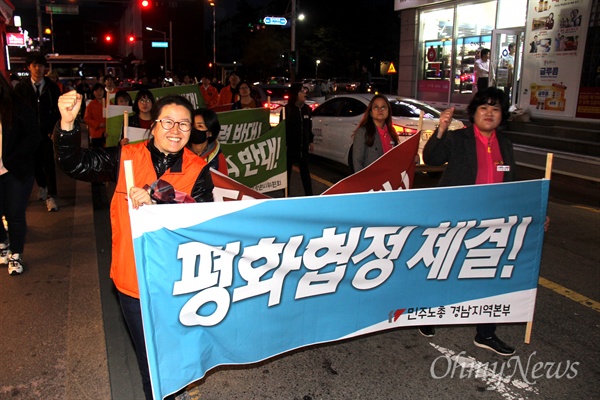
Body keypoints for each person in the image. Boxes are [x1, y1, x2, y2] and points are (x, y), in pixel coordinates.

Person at [53, 92, 214, 399]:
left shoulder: (198, 168)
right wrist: (69, 125)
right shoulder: (124, 157)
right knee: (150, 360)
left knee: (177, 350)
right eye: (168, 122)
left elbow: (203, 224)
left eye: (183, 124)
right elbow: (76, 164)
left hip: (178, 284)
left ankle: (177, 385)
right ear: (153, 126)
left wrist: (159, 195)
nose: (175, 131)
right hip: (133, 282)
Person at [420, 87, 517, 356]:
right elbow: (431, 159)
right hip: (457, 219)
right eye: (484, 108)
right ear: (474, 113)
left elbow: (513, 185)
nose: (489, 113)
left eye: (495, 109)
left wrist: (533, 211)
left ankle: (486, 334)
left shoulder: (505, 145)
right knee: (445, 270)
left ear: (502, 115)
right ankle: (428, 316)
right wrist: (440, 127)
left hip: (492, 223)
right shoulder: (459, 138)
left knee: (490, 276)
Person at [0, 73, 41, 275]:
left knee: (14, 214)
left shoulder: (16, 106)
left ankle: (16, 254)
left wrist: (14, 156)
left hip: (15, 170)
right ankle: (2, 243)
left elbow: (33, 136)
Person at [14, 52, 62, 212]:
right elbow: (17, 111)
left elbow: (58, 111)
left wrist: (55, 129)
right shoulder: (21, 87)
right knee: (34, 165)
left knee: (49, 163)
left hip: (47, 133)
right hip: (29, 135)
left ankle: (51, 196)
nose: (38, 69)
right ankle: (42, 186)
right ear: (29, 67)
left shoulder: (52, 88)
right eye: (34, 65)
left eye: (41, 65)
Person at [280, 83, 314, 196]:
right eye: (301, 91)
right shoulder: (287, 110)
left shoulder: (307, 109)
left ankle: (310, 196)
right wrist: (283, 144)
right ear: (295, 94)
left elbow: (309, 126)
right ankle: (286, 196)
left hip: (303, 147)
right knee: (287, 173)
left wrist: (310, 141)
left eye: (304, 90)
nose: (305, 93)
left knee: (305, 172)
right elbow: (282, 129)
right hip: (290, 148)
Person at [352, 95, 400, 172]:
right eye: (376, 107)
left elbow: (397, 158)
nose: (380, 110)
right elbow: (357, 161)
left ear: (388, 111)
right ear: (371, 112)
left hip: (388, 180)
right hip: (371, 180)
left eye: (383, 107)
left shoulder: (391, 132)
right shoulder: (363, 132)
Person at [188, 108, 228, 175]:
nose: (194, 129)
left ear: (210, 133)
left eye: (200, 126)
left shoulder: (217, 157)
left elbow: (224, 182)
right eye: (192, 125)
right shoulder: (179, 152)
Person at [84, 83, 107, 148]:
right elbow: (87, 119)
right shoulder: (91, 105)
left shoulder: (109, 103)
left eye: (100, 90)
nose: (99, 93)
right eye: (96, 91)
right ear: (93, 93)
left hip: (108, 133)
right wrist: (98, 124)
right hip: (96, 133)